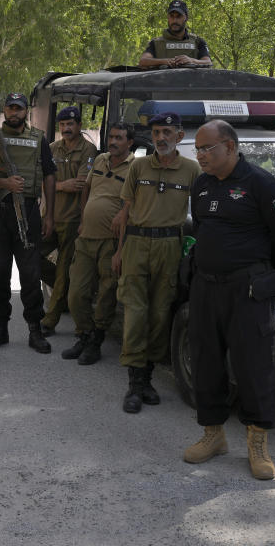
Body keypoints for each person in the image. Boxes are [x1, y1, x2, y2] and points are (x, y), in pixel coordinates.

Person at [182, 120, 275, 480]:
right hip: (206, 288)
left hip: (247, 291)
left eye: (207, 148)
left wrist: (255, 270)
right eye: (198, 149)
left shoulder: (261, 184)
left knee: (253, 366)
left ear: (230, 147)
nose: (200, 155)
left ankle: (257, 443)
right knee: (206, 361)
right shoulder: (200, 186)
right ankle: (213, 435)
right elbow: (200, 230)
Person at [113, 112, 201, 413]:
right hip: (137, 244)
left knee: (160, 313)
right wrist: (118, 252)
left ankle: (148, 376)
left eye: (166, 132)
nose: (160, 138)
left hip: (169, 246)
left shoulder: (192, 170)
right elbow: (124, 212)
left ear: (179, 136)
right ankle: (134, 384)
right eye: (155, 132)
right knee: (135, 313)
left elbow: (200, 214)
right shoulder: (138, 166)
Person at [0, 92, 57, 354]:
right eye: (10, 108)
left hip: (30, 212)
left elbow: (49, 176)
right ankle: (1, 326)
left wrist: (50, 214)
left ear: (25, 112)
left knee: (31, 274)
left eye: (18, 109)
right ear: (4, 111)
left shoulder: (38, 140)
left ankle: (35, 328)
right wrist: (4, 184)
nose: (14, 113)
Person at [61, 121, 134, 365]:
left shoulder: (135, 167)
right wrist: (82, 218)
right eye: (111, 137)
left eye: (119, 138)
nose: (113, 141)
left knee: (106, 294)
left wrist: (122, 220)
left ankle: (96, 340)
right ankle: (84, 333)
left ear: (129, 142)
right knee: (76, 293)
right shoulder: (100, 160)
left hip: (110, 241)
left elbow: (133, 203)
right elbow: (87, 188)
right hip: (86, 237)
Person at [39, 106, 98, 336]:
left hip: (73, 221)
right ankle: (65, 293)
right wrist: (63, 185)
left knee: (64, 269)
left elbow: (81, 184)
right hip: (50, 217)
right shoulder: (52, 148)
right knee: (31, 256)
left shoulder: (88, 150)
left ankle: (50, 320)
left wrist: (54, 185)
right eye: (62, 125)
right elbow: (41, 180)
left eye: (70, 124)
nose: (66, 128)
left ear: (79, 126)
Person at [137, 0, 213, 70]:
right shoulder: (156, 43)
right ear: (168, 17)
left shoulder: (198, 42)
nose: (174, 20)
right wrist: (165, 61)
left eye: (178, 16)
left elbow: (208, 62)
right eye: (172, 16)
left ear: (186, 18)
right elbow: (143, 62)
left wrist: (191, 60)